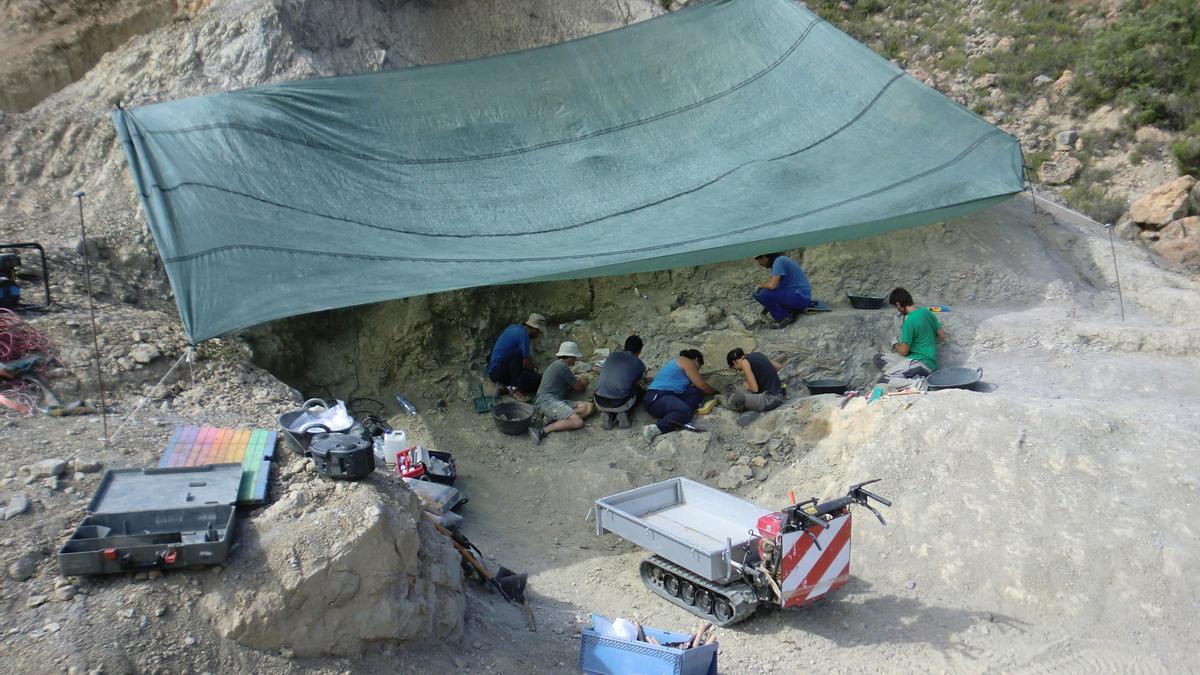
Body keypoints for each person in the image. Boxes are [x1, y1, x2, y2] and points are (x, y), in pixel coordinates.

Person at [874, 287, 945, 389]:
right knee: (878, 359)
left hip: (921, 362)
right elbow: (942, 336)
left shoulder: (909, 321)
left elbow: (903, 352)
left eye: (896, 307)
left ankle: (918, 383)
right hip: (923, 360)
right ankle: (907, 374)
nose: (897, 309)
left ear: (898, 304)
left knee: (883, 380)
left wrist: (895, 344)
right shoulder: (927, 312)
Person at [641, 349, 716, 444]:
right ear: (696, 360)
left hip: (669, 396)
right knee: (685, 410)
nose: (697, 371)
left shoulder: (680, 367)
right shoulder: (685, 360)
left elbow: (699, 389)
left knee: (697, 392)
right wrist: (715, 392)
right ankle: (654, 428)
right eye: (698, 367)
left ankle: (677, 417)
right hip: (656, 397)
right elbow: (702, 385)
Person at [529, 341, 594, 445]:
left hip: (556, 401)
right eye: (574, 357)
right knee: (578, 422)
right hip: (546, 401)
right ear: (569, 357)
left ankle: (553, 418)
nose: (576, 359)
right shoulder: (562, 367)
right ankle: (543, 430)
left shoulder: (559, 366)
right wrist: (584, 380)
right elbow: (579, 387)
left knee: (588, 406)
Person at [486, 313, 547, 400]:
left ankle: (505, 387)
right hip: (497, 371)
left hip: (503, 370)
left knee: (537, 380)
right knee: (517, 353)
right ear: (534, 329)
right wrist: (534, 370)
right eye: (539, 332)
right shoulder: (523, 334)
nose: (539, 335)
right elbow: (524, 362)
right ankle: (514, 389)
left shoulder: (515, 328)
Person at [593, 335, 648, 429]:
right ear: (639, 351)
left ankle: (608, 414)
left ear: (624, 347)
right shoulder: (638, 362)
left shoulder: (611, 356)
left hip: (598, 401)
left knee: (618, 387)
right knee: (639, 389)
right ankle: (623, 413)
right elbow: (638, 380)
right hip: (620, 404)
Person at [752, 252, 812, 329]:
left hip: (800, 297)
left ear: (765, 257)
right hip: (800, 296)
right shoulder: (780, 261)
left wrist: (760, 286)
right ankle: (787, 312)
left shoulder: (778, 261)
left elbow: (772, 286)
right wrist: (765, 311)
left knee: (763, 293)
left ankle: (784, 318)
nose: (759, 264)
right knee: (760, 293)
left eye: (759, 260)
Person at [722, 348, 785, 412]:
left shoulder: (744, 362)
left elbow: (755, 389)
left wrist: (747, 384)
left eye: (735, 368)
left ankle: (722, 401)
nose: (737, 370)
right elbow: (778, 366)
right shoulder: (758, 354)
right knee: (739, 390)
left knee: (738, 398)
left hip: (769, 400)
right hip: (780, 393)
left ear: (734, 362)